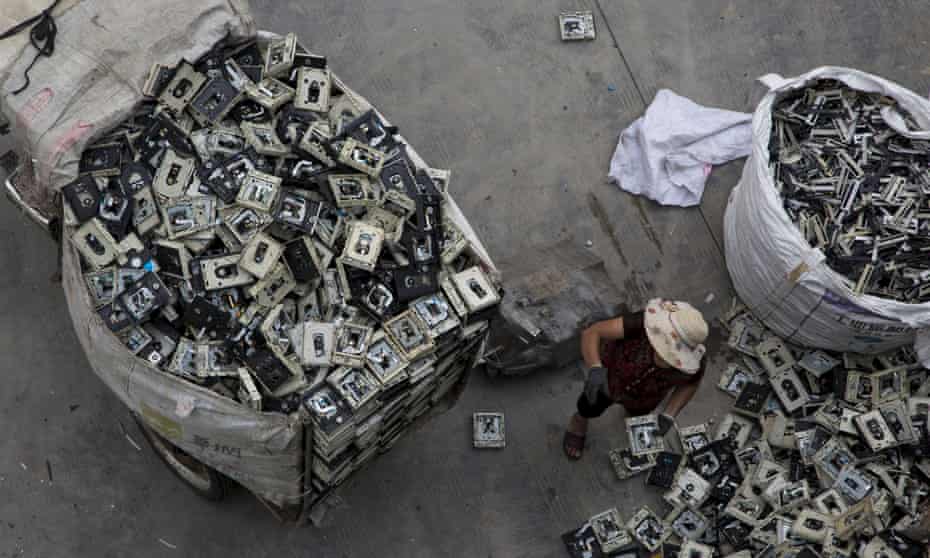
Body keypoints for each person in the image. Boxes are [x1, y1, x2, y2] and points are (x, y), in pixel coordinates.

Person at [563, 298, 709, 460]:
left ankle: (629, 412)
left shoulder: (695, 362)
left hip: (645, 397)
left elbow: (690, 384)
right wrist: (595, 368)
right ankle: (579, 421)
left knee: (636, 412)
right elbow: (593, 333)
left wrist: (669, 414)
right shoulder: (642, 323)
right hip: (608, 379)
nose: (662, 357)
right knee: (591, 405)